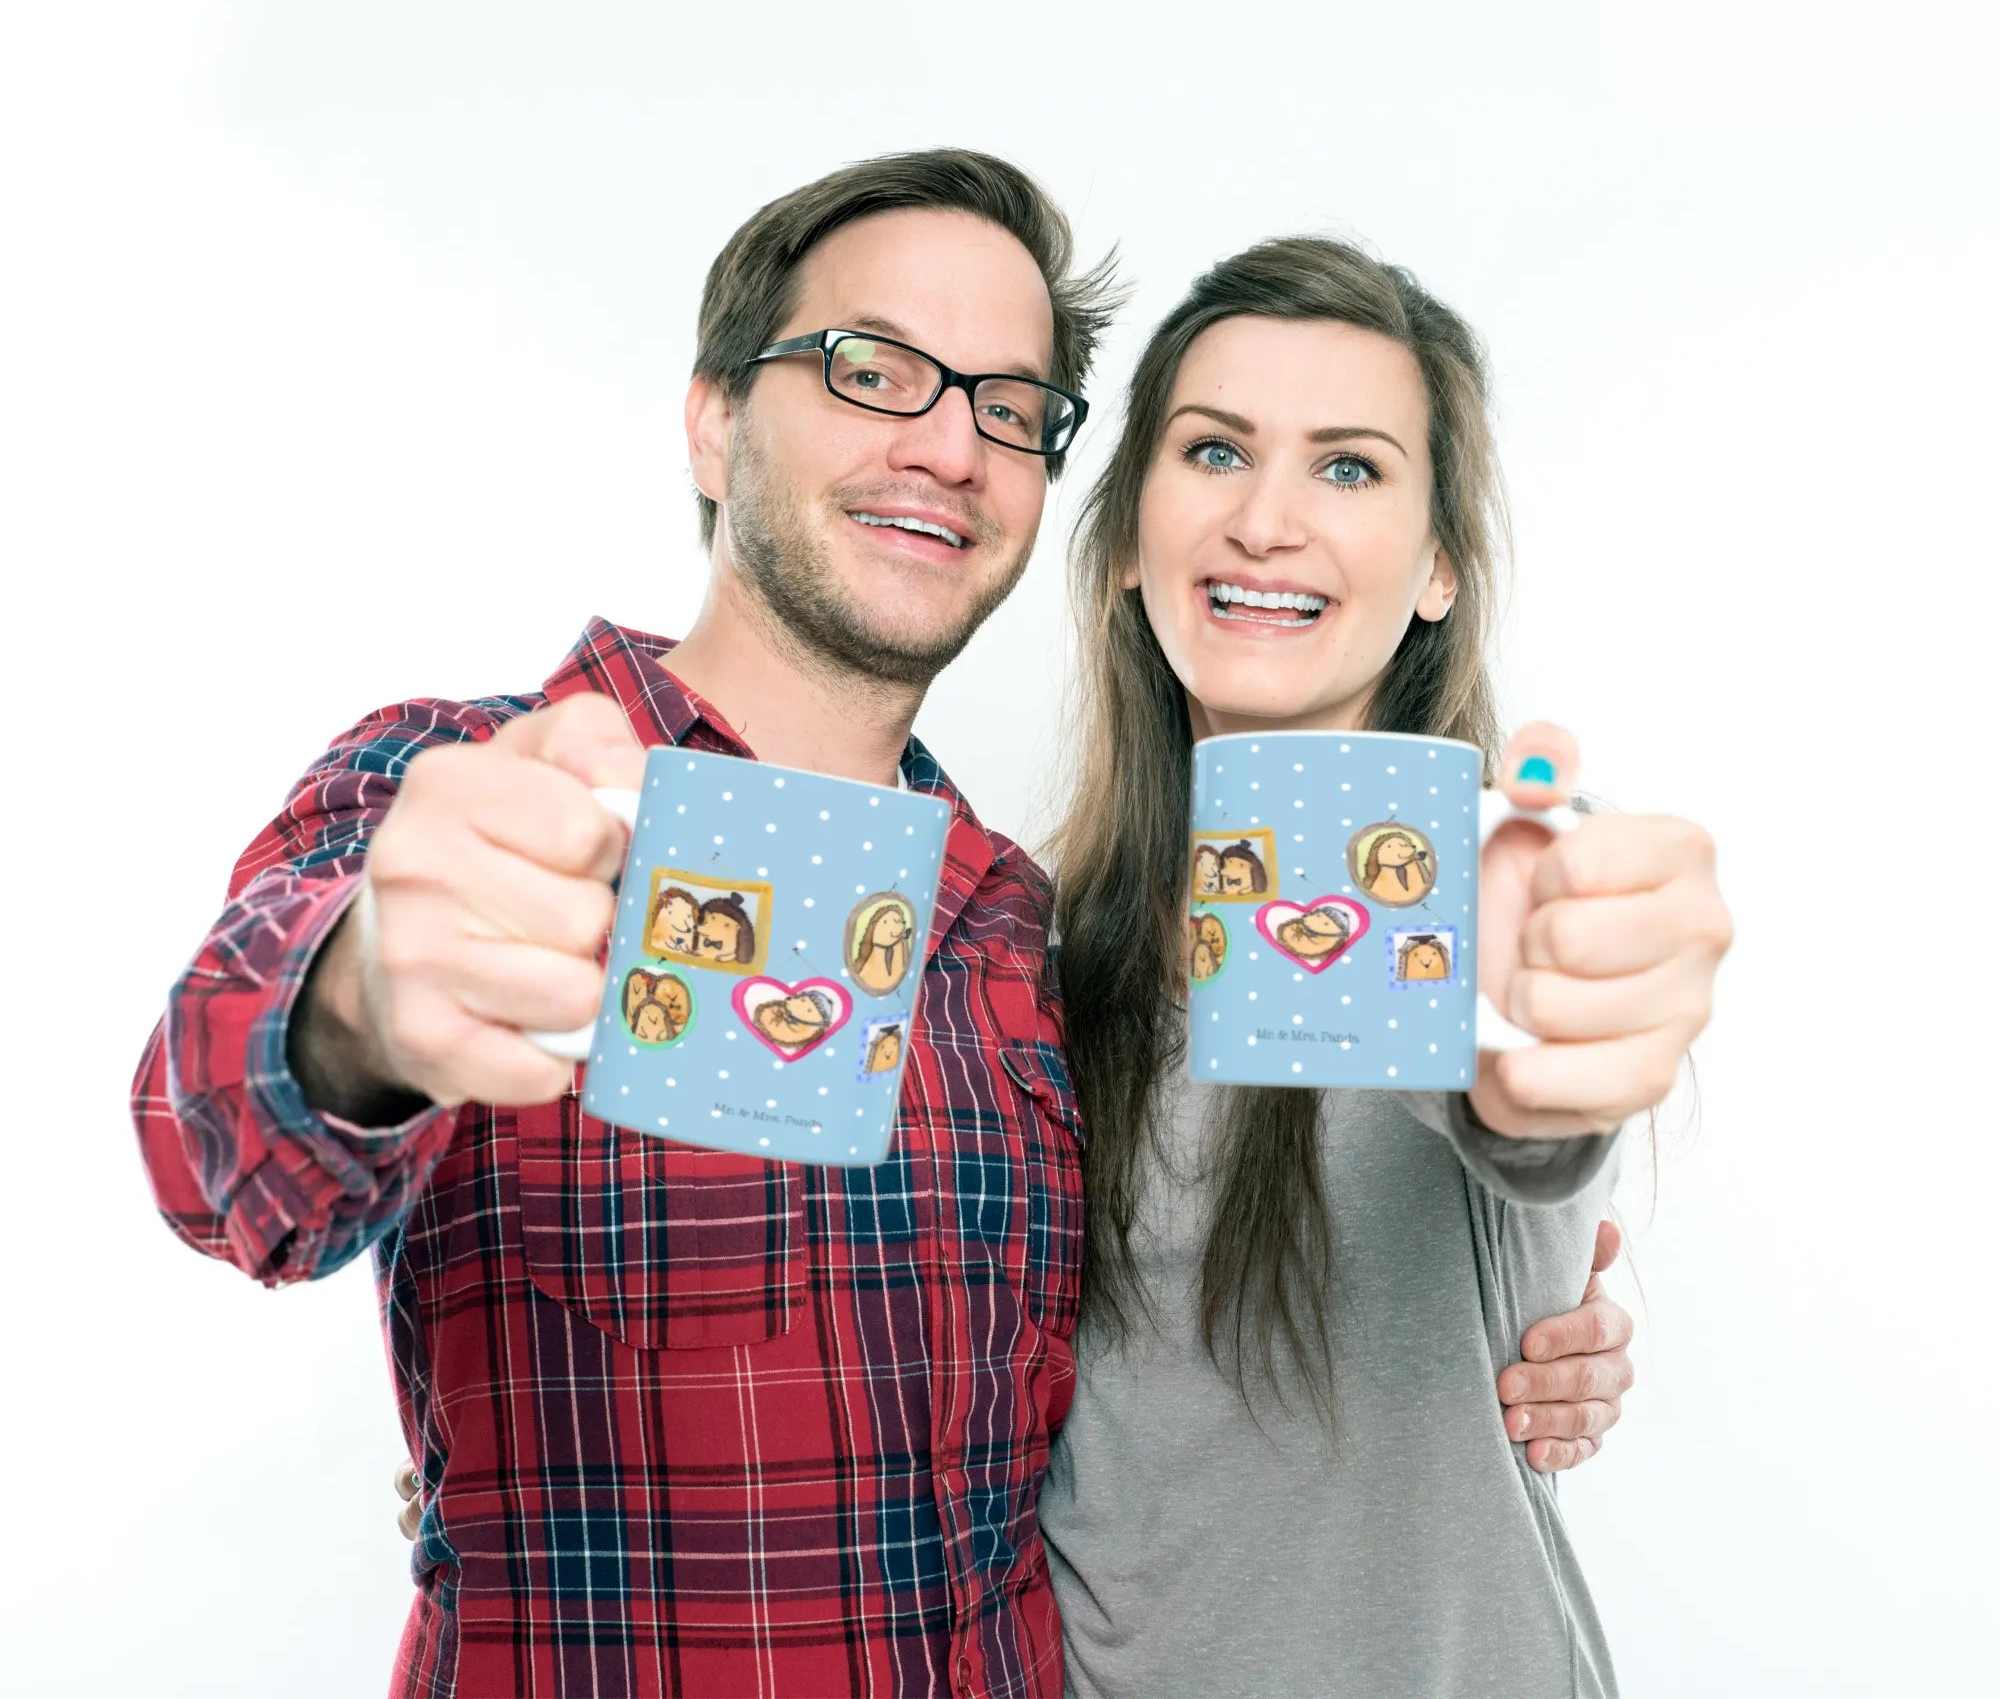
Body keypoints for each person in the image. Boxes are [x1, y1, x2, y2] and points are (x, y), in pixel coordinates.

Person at [134, 151, 1640, 1698]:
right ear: (715, 419)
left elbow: (1483, 1115)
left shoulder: (1017, 934)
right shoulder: (472, 793)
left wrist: (1541, 1236)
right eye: (873, 369)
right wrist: (362, 1007)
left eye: (1007, 406)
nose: (948, 445)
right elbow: (213, 1137)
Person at [1042, 237, 1732, 1696]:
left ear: (1437, 569)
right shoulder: (1035, 953)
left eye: (1348, 467)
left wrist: (1557, 1047)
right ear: (1125, 542)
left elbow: (1525, 1108)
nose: (1267, 521)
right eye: (1214, 451)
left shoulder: (1496, 886)